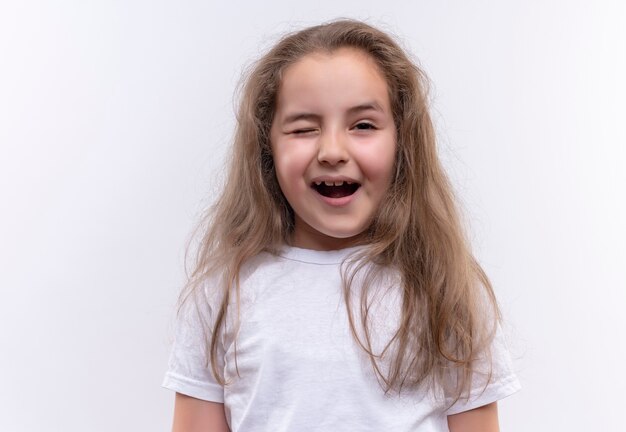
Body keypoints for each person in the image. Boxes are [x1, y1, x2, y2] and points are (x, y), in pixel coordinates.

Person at [162, 19, 520, 432]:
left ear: (402, 141)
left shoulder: (445, 287)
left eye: (363, 125)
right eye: (304, 128)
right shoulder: (221, 293)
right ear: (267, 147)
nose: (332, 150)